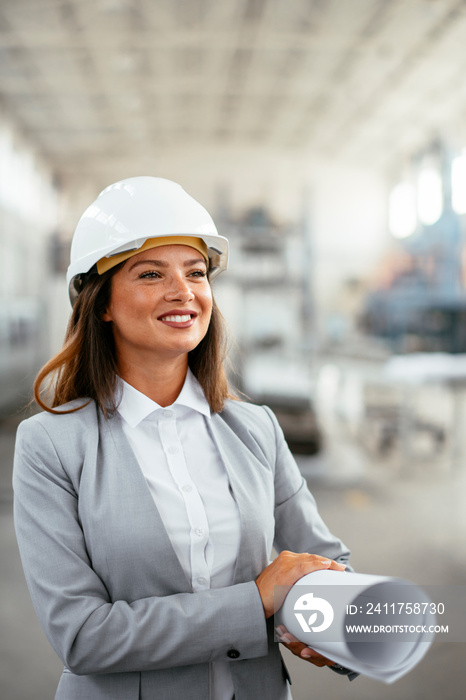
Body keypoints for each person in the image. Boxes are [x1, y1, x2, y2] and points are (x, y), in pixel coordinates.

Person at [13, 176, 351, 700]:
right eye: (151, 274)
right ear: (100, 302)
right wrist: (257, 601)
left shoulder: (255, 427)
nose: (184, 292)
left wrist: (330, 617)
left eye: (196, 273)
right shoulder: (50, 446)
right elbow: (82, 637)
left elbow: (325, 561)